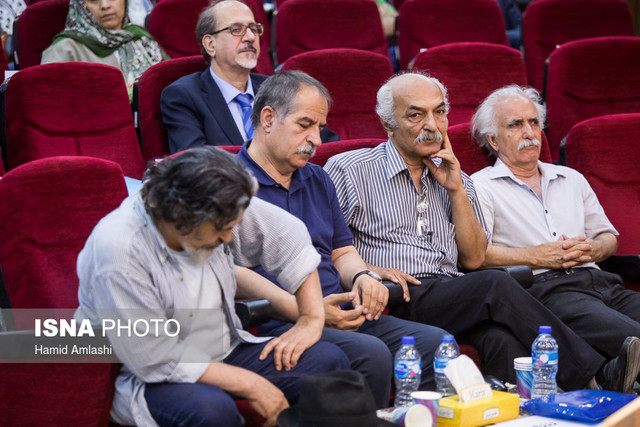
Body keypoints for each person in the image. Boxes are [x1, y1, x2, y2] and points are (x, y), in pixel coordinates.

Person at [323, 72, 640, 392]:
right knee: (495, 283)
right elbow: (326, 246)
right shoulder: (351, 169)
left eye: (440, 112)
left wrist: (456, 189)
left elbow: (473, 258)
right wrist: (369, 270)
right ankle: (594, 377)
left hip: (453, 292)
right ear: (388, 124)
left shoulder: (460, 180)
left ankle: (514, 413)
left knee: (502, 339)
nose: (432, 125)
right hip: (399, 293)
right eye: (416, 115)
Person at [75, 147, 350, 427]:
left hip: (221, 348)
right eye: (221, 229)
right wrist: (252, 384)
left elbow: (288, 234)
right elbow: (152, 356)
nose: (229, 238)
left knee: (328, 362)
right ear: (180, 214)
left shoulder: (216, 203)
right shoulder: (119, 250)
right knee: (212, 411)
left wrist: (310, 318)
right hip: (145, 373)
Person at [237, 70, 447, 409]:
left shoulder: (318, 178)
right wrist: (311, 313)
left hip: (342, 310)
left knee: (435, 342)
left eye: (320, 128)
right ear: (268, 119)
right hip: (277, 319)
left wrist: (362, 276)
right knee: (371, 353)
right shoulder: (231, 185)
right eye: (305, 125)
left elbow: (342, 251)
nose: (316, 140)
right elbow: (231, 274)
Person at [470, 84, 640, 392]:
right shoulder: (480, 187)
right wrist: (538, 255)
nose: (529, 132)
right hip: (550, 291)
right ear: (493, 139)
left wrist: (594, 248)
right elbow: (475, 256)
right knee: (635, 339)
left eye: (534, 122)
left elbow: (608, 237)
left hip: (604, 283)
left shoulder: (571, 178)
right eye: (515, 125)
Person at [161, 0, 338, 153]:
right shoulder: (183, 96)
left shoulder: (277, 88)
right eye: (236, 29)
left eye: (254, 29)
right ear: (210, 44)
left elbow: (329, 144)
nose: (251, 37)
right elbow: (194, 166)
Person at [41, 0, 167, 96]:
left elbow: (168, 82)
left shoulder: (140, 38)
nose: (105, 5)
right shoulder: (65, 49)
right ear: (80, 6)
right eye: (93, 0)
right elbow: (50, 103)